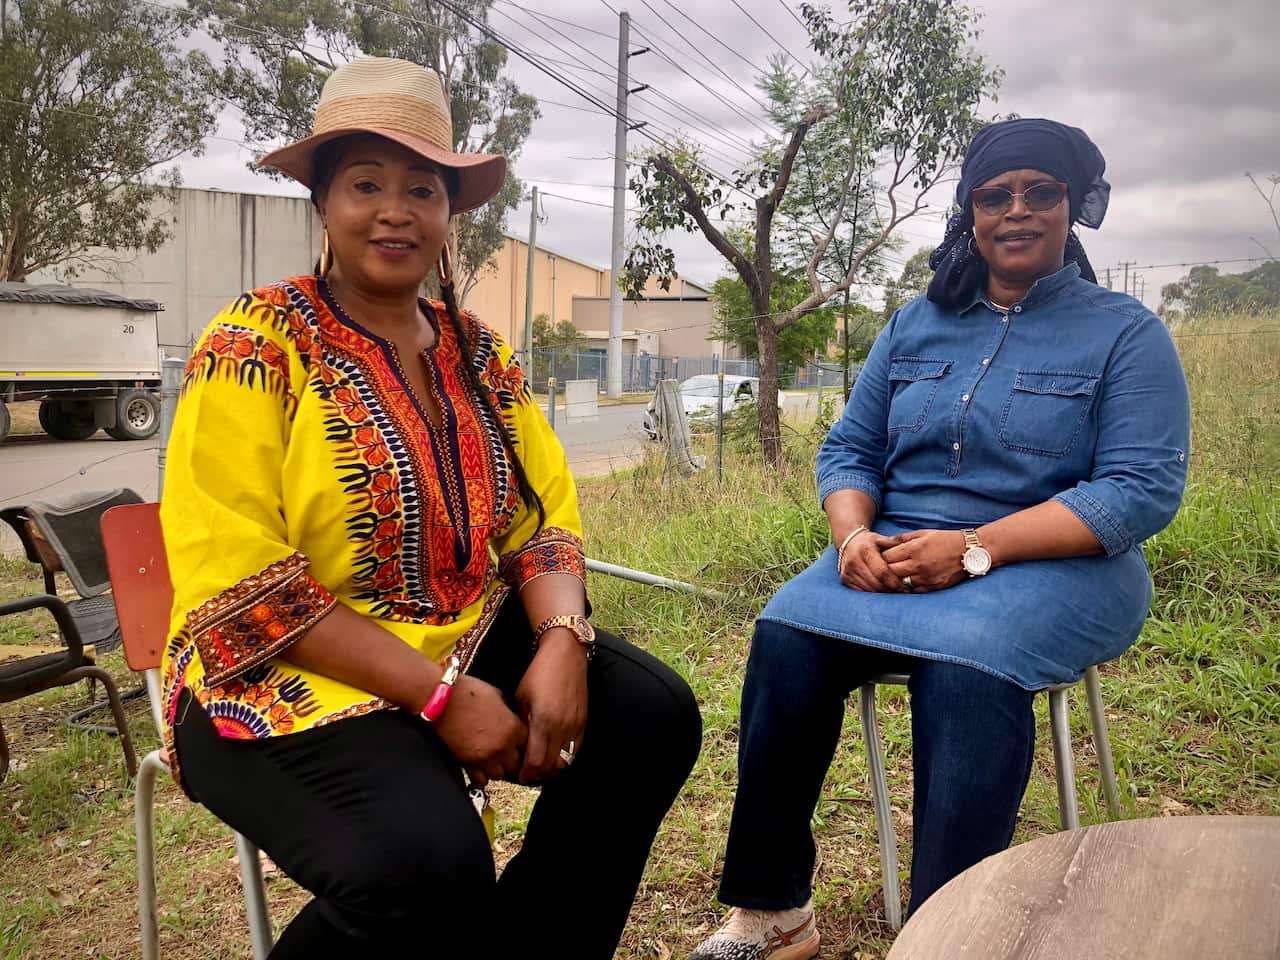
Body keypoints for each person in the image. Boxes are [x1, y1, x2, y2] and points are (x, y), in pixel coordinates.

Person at [159, 57, 700, 958]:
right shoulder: (257, 342)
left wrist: (565, 641)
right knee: (423, 862)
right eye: (365, 183)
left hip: (452, 626)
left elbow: (544, 514)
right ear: (323, 203)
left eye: (422, 187)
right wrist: (441, 699)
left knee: (649, 717)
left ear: (451, 214)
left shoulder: (479, 354)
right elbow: (247, 582)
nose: (395, 209)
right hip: (268, 667)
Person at [691, 118, 1190, 960]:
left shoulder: (1124, 332)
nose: (1017, 210)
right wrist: (851, 535)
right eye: (996, 195)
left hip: (1059, 561)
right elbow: (850, 448)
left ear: (1076, 206)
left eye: (1042, 192)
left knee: (968, 663)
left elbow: (1139, 491)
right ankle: (771, 911)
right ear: (971, 212)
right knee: (787, 631)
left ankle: (947, 936)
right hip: (900, 549)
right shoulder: (914, 325)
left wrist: (977, 548)